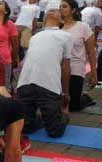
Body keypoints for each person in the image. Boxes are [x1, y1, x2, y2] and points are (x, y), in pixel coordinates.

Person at [16, 9, 71, 137]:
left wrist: (65, 93)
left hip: (47, 86)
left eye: (56, 12)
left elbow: (65, 67)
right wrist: (65, 94)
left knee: (54, 132)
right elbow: (65, 67)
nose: (52, 12)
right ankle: (43, 118)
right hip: (27, 85)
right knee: (24, 128)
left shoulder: (65, 36)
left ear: (61, 21)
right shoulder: (34, 37)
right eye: (50, 12)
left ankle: (51, 117)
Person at [60, 0, 96, 111]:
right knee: (59, 102)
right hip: (58, 67)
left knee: (73, 106)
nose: (61, 9)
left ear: (73, 10)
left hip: (76, 67)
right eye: (60, 6)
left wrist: (93, 73)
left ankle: (85, 98)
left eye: (64, 6)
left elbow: (91, 52)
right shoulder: (57, 27)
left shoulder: (83, 27)